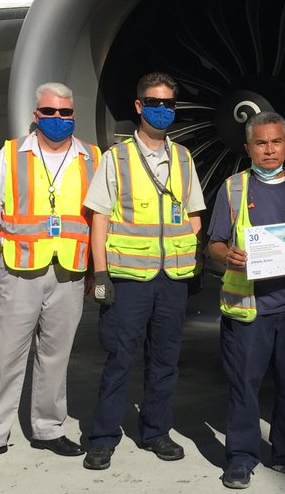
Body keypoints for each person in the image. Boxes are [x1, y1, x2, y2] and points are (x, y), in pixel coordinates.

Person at [0, 82, 101, 466]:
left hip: (69, 271)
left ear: (73, 115)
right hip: (19, 271)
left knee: (56, 355)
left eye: (64, 113)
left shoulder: (91, 157)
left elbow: (98, 219)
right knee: (6, 354)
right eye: (48, 112)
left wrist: (96, 272)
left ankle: (49, 428)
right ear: (36, 116)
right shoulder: (10, 155)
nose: (57, 119)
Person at [81, 72, 205, 471]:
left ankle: (156, 432)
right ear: (139, 107)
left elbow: (195, 215)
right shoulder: (115, 159)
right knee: (119, 357)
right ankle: (103, 436)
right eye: (154, 103)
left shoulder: (183, 158)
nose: (162, 110)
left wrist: (186, 251)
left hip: (171, 279)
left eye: (169, 104)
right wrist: (100, 275)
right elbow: (98, 218)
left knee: (166, 359)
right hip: (129, 278)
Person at [207, 112, 285, 489]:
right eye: (260, 143)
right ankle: (242, 457)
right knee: (244, 384)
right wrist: (225, 254)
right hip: (250, 310)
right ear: (248, 148)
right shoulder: (232, 189)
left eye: (276, 142)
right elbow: (213, 243)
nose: (269, 150)